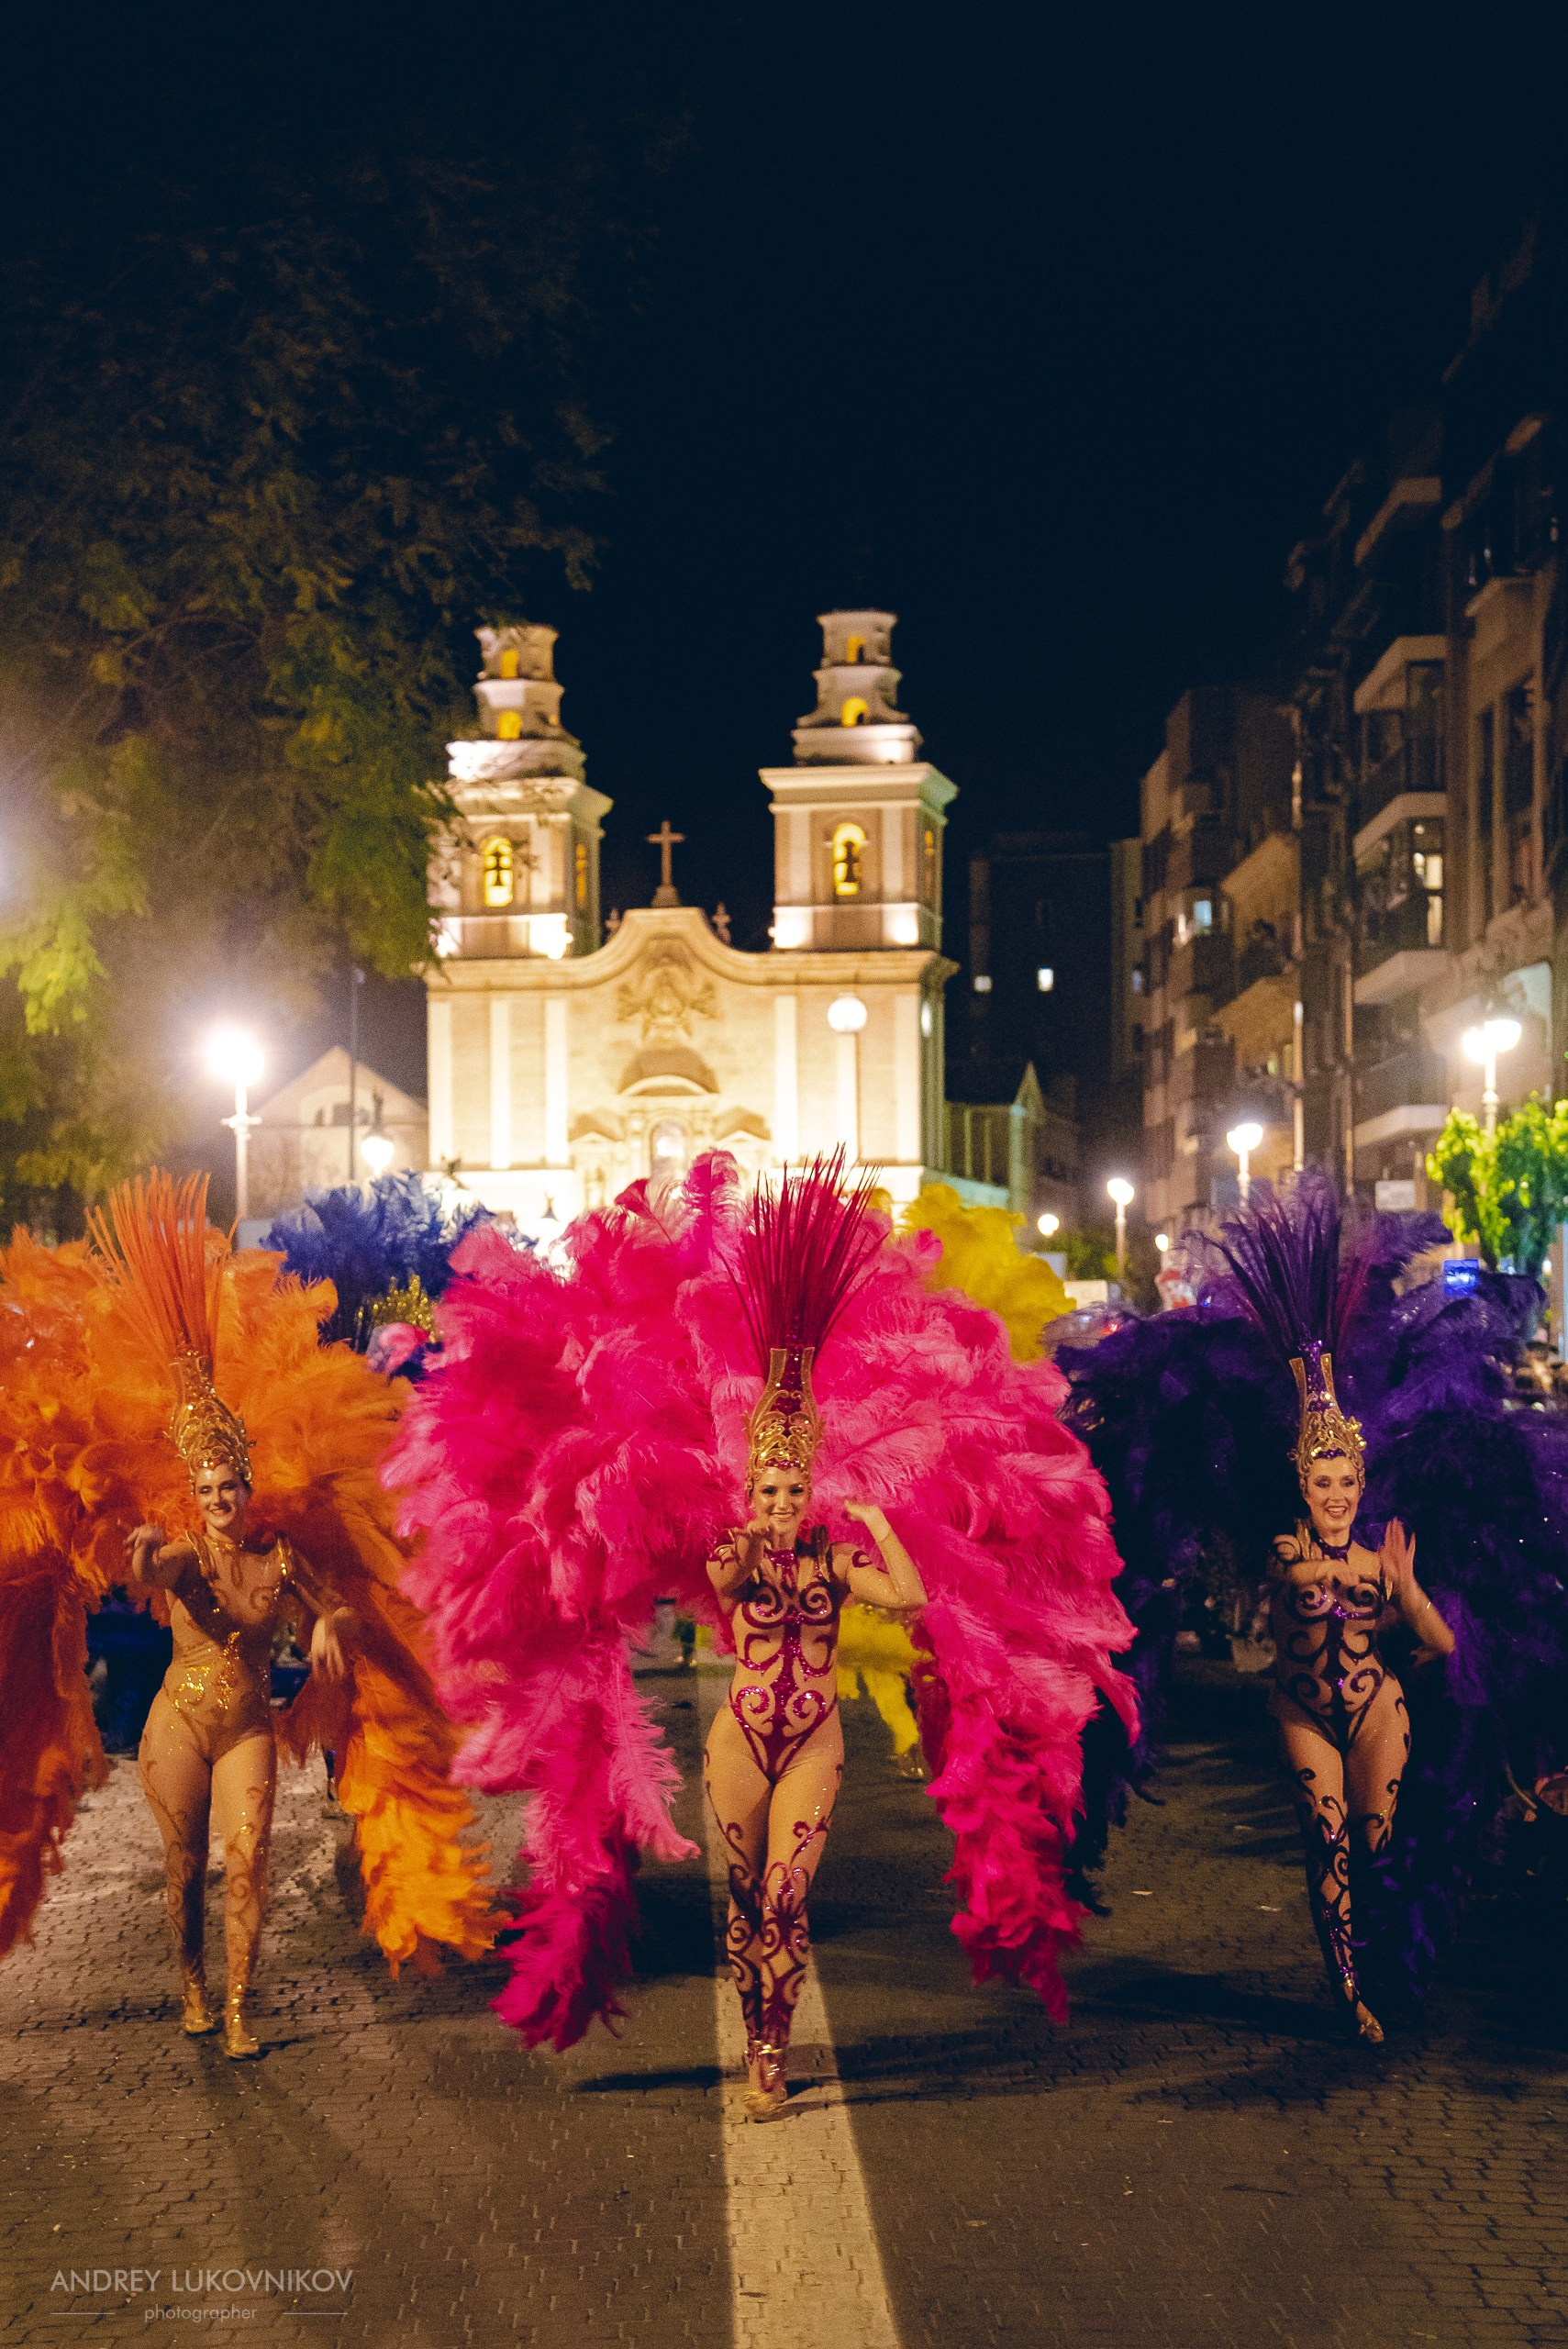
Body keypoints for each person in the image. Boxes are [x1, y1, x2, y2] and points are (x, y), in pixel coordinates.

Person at [705, 1348, 926, 2118]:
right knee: (743, 1899)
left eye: (794, 1489)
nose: (781, 1502)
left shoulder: (833, 1564)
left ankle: (775, 2049)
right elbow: (723, 1584)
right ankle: (749, 2032)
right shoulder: (731, 1551)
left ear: (810, 1493)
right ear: (751, 1490)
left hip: (812, 1746)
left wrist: (875, 1523)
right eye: (768, 1489)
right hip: (738, 1745)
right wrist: (751, 1540)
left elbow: (909, 1597)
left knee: (784, 1896)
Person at [127, 1389, 357, 2057]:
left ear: (247, 1489)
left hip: (246, 1728)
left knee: (251, 1860)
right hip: (176, 1729)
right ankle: (193, 1984)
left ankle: (236, 2009)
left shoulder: (279, 1557)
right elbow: (149, 1570)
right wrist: (144, 1551)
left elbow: (339, 1607)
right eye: (206, 1489)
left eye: (228, 1486)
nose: (219, 1499)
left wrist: (329, 1631)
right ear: (194, 1498)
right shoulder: (187, 1556)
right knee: (186, 1868)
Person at [1265, 1350, 1452, 2043]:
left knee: (1374, 1846)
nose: (1337, 1494)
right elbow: (1298, 1581)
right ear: (1303, 1488)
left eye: (1346, 1480)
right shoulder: (1285, 1549)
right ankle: (1346, 1992)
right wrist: (1359, 1580)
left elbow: (1441, 1641)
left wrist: (1404, 1591)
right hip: (1304, 1713)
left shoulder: (1379, 1562)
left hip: (1376, 1710)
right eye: (1322, 1482)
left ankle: (1381, 1975)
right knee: (1328, 1838)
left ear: (1361, 1483)